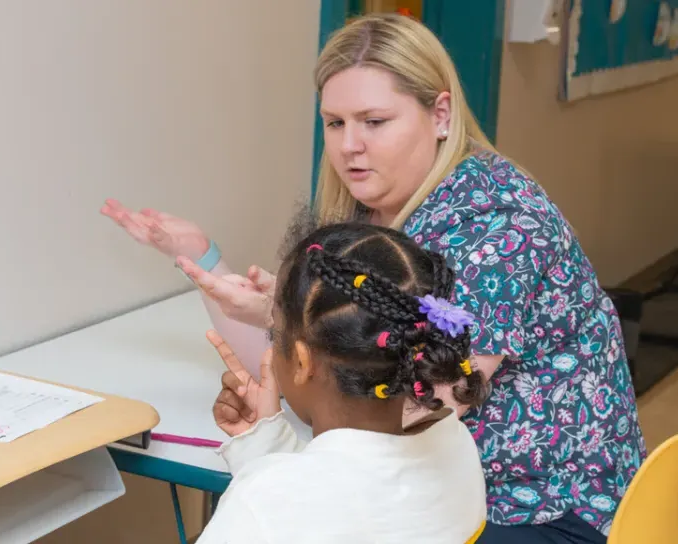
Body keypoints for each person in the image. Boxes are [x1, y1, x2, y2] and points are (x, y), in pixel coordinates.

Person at [102, 12, 646, 543]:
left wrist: (277, 451)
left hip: (537, 509)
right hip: (440, 486)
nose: (349, 146)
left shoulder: (496, 226)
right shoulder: (373, 210)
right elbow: (317, 376)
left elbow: (417, 404)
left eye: (374, 121)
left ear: (439, 115)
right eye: (335, 123)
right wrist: (208, 263)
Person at [196, 223, 489, 543]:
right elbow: (332, 502)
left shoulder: (258, 508)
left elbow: (288, 512)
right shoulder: (455, 444)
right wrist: (263, 440)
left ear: (302, 362)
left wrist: (257, 487)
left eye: (274, 332)